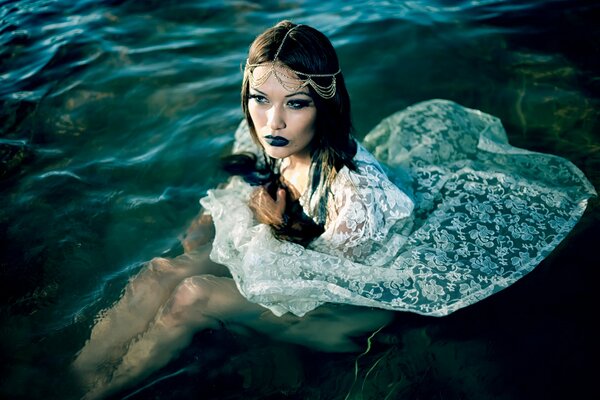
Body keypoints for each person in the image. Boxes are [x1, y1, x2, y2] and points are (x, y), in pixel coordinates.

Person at [72, 20, 596, 399]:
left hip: (340, 313)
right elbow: (244, 179)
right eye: (259, 99)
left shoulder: (355, 192)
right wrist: (226, 216)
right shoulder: (268, 141)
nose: (272, 121)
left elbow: (326, 286)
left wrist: (273, 225)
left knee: (191, 293)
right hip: (297, 272)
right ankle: (66, 383)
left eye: (295, 103)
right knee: (158, 270)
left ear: (323, 105)